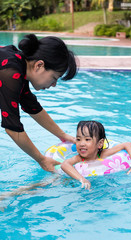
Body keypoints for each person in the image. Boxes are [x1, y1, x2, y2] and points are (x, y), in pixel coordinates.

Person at [0, 34, 77, 172]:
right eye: (54, 78)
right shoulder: (10, 72)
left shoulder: (20, 65)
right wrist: (42, 160)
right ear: (39, 65)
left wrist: (62, 136)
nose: (53, 85)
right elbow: (12, 128)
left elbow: (32, 107)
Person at [61, 120, 131, 189]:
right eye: (78, 139)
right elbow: (65, 164)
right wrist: (82, 179)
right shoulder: (78, 158)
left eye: (87, 139)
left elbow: (128, 144)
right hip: (73, 181)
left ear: (100, 144)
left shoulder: (103, 154)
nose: (81, 143)